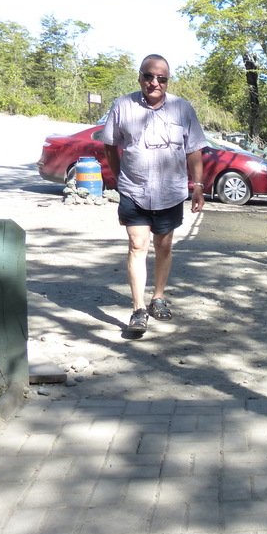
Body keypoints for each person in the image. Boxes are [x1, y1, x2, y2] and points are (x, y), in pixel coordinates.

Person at [103, 54, 208, 335]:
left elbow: (194, 149)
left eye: (161, 78)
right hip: (134, 189)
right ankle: (138, 309)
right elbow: (110, 146)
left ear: (167, 81)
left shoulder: (182, 109)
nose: (154, 83)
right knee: (138, 245)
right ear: (139, 77)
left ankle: (157, 297)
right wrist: (118, 176)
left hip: (170, 192)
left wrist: (197, 187)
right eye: (149, 76)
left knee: (163, 246)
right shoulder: (123, 106)